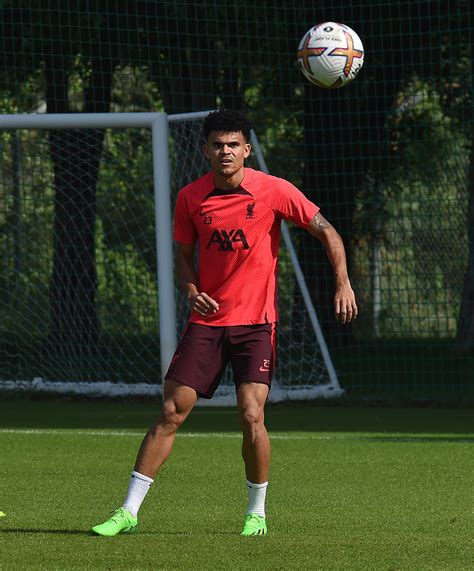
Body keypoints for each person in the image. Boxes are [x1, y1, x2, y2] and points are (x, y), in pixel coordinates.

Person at [91, 109, 357, 537]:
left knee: (251, 414)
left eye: (234, 144)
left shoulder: (274, 191)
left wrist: (343, 284)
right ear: (205, 150)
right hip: (207, 324)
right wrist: (192, 289)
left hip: (255, 324)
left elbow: (327, 231)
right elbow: (181, 256)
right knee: (170, 411)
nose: (226, 151)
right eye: (218, 144)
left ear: (247, 150)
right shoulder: (191, 198)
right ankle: (127, 511)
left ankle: (257, 513)